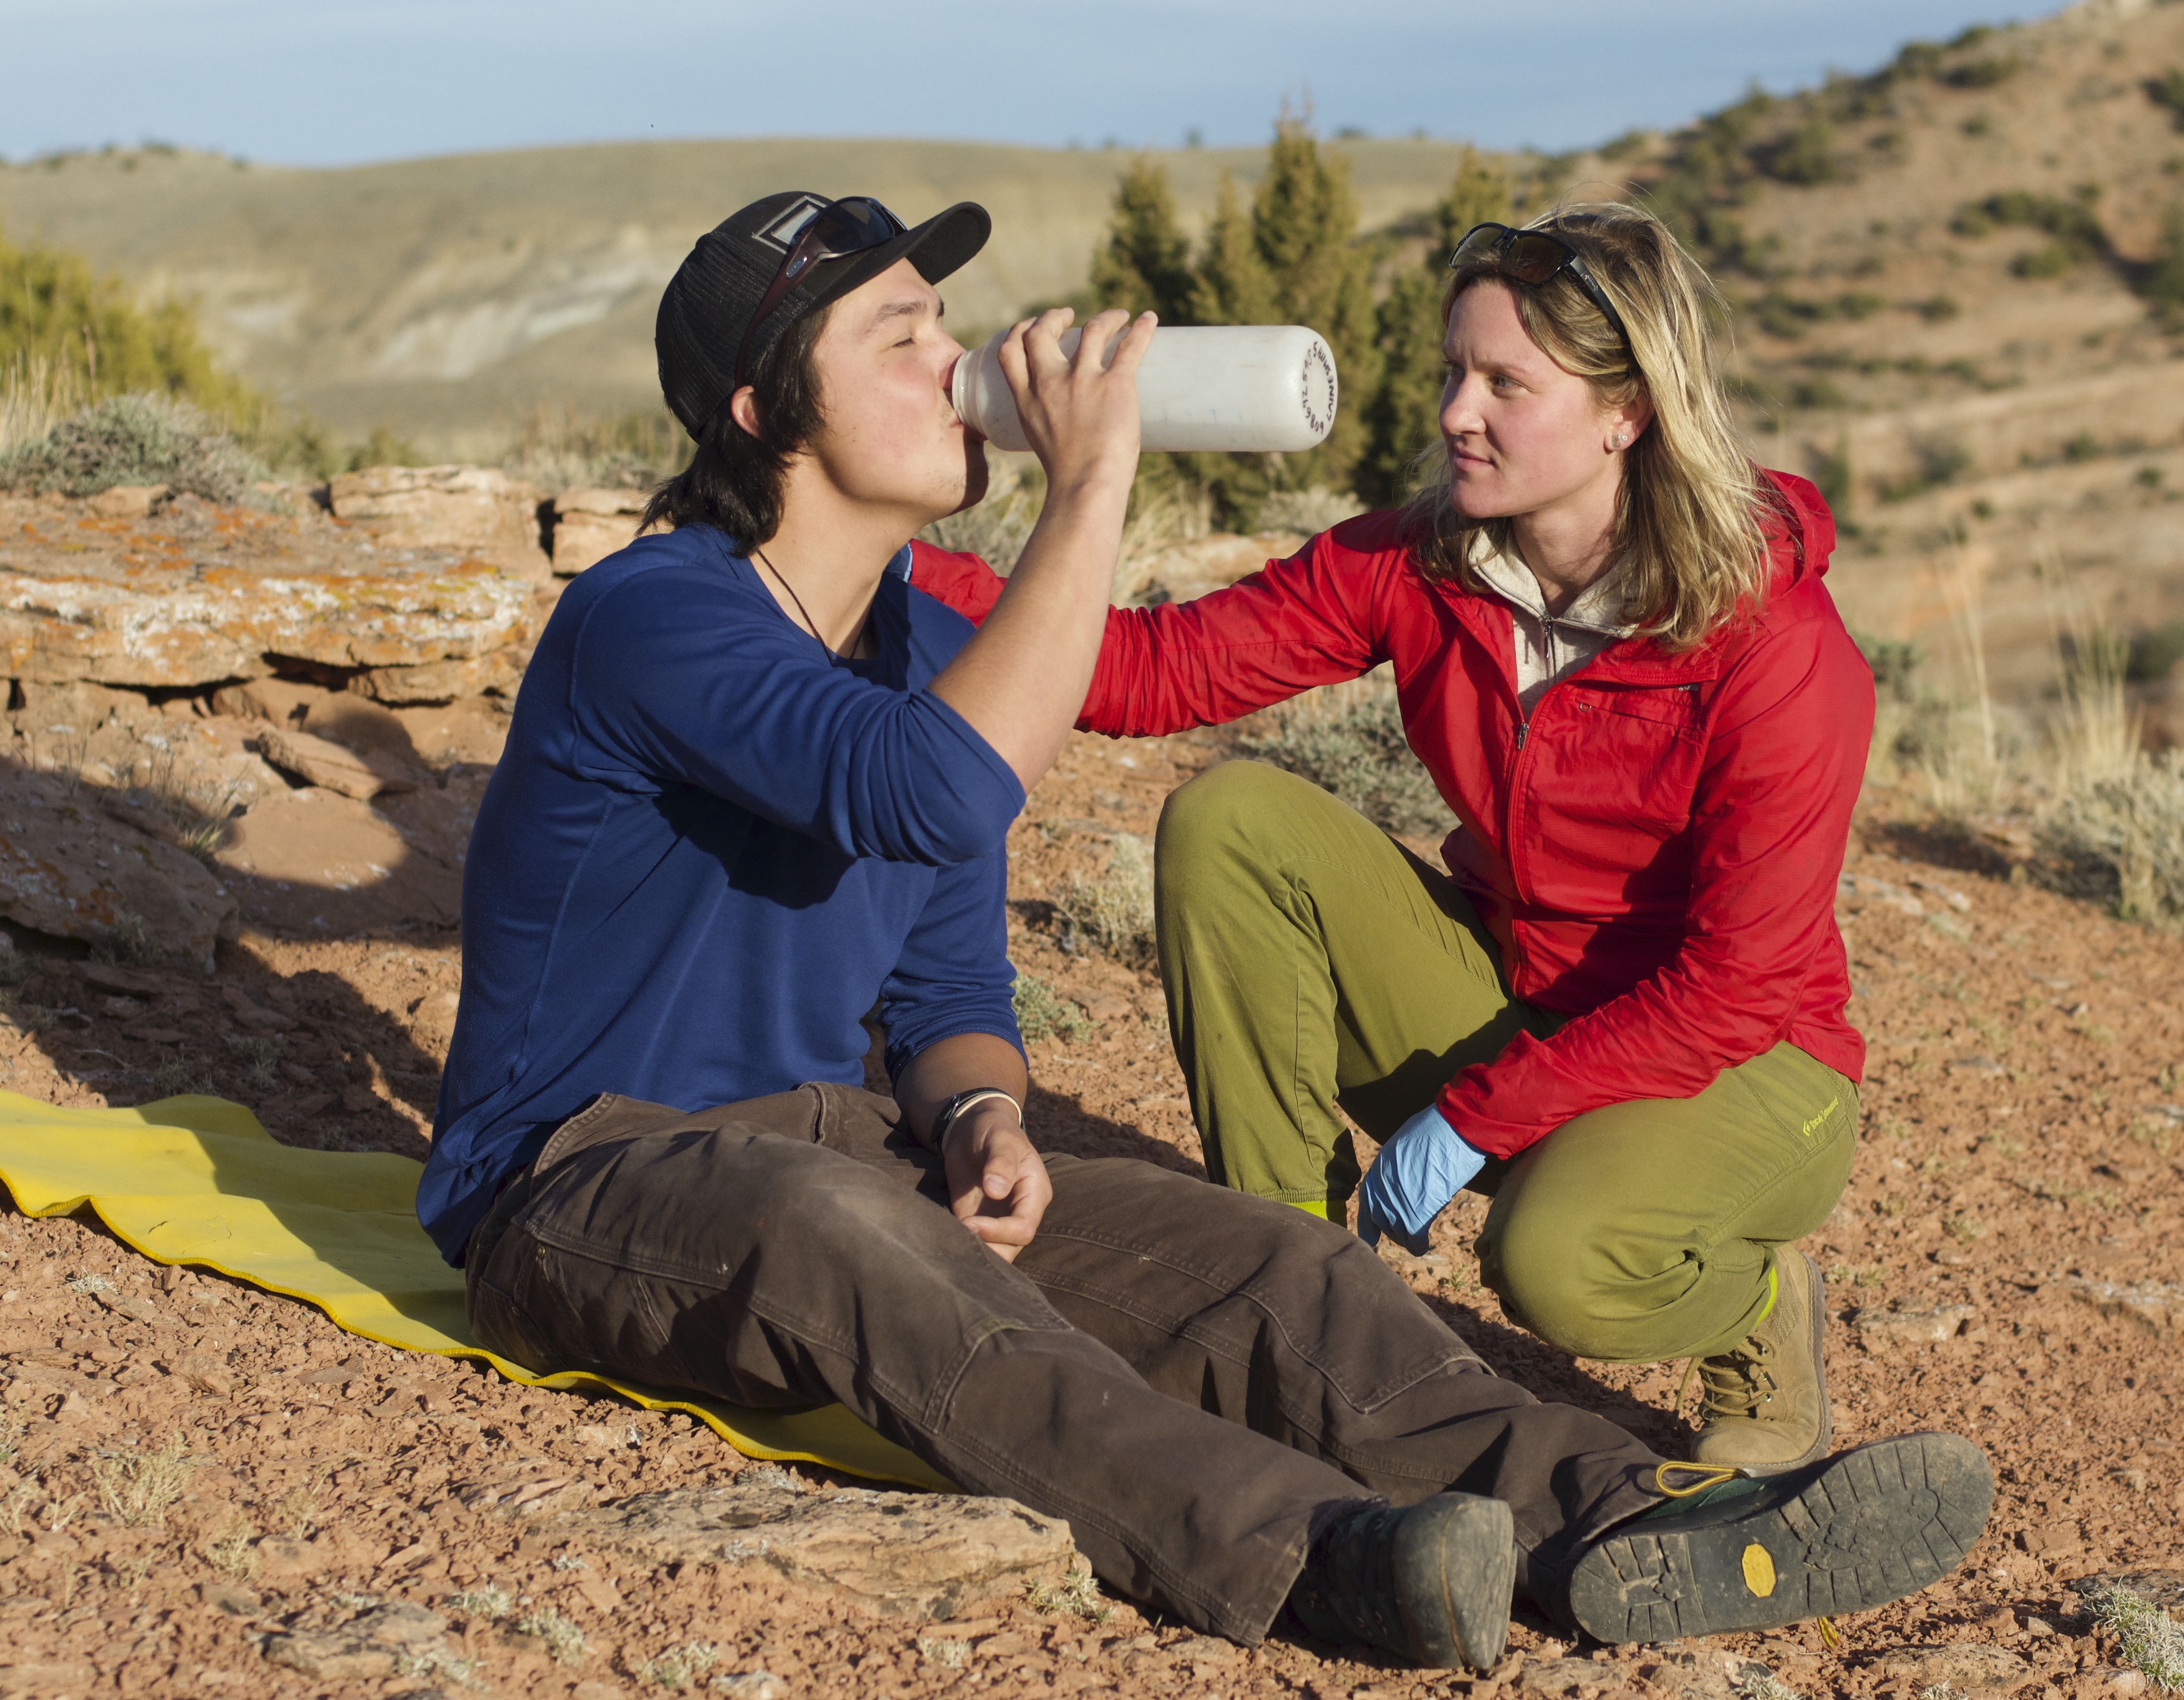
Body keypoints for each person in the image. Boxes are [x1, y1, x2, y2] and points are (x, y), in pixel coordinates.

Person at [420, 190, 1988, 1670]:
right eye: (898, 339)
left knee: (1256, 1260)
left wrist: (976, 1111)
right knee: (850, 1238)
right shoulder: (655, 614)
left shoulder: (920, 642)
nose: (957, 362)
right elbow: (924, 789)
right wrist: (1092, 482)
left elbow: (949, 968)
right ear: (763, 410)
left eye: (940, 320)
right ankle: (1319, 1550)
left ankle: (1625, 1517)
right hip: (582, 1167)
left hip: (839, 1138)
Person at [917, 202, 1874, 1478]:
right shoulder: (1425, 562)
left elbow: (1737, 982)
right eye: (1450, 372)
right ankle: (1297, 1304)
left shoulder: (1776, 647)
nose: (1453, 413)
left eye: (1503, 384)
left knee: (1552, 1257)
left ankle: (1756, 1317)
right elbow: (1147, 674)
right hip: (1521, 997)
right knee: (1235, 816)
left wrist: (1475, 1115)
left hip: (1742, 1062)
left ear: (1626, 412)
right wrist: (878, 565)